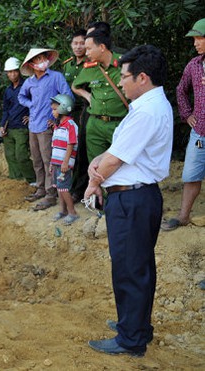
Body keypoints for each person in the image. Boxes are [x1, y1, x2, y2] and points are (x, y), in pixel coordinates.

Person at [84, 44, 172, 357]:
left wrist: (94, 182)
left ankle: (132, 338)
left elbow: (115, 160)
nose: (120, 82)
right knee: (136, 266)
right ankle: (133, 325)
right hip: (135, 197)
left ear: (143, 77)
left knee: (130, 269)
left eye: (124, 77)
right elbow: (115, 150)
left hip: (132, 200)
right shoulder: (147, 106)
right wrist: (98, 160)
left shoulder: (147, 111)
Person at [161, 18, 205, 232]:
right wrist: (187, 114)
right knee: (191, 174)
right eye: (194, 39)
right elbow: (180, 90)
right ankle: (184, 216)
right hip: (200, 135)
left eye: (199, 38)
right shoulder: (194, 65)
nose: (195, 43)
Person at [18, 48, 73, 210]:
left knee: (49, 159)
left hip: (47, 126)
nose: (43, 61)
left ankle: (51, 193)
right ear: (32, 65)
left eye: (43, 57)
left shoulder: (56, 77)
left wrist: (57, 116)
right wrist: (31, 105)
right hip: (33, 125)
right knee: (36, 159)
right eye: (39, 59)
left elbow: (67, 96)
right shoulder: (29, 82)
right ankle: (41, 188)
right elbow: (21, 97)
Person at [72, 30, 127, 162]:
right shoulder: (90, 68)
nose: (86, 53)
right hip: (95, 125)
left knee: (121, 163)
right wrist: (87, 95)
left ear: (102, 47)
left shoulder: (124, 64)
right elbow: (75, 86)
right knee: (96, 165)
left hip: (119, 123)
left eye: (89, 49)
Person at [62, 29, 90, 202]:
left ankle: (79, 190)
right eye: (75, 43)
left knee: (81, 150)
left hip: (84, 111)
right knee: (67, 150)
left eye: (82, 43)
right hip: (68, 113)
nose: (78, 47)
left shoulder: (91, 63)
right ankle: (68, 187)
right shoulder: (67, 64)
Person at [0, 57, 34, 183]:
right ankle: (16, 180)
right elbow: (5, 110)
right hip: (10, 128)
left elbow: (37, 102)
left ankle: (32, 180)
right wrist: (2, 125)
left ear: (19, 71)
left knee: (21, 155)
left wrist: (32, 116)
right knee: (10, 156)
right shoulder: (8, 90)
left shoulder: (27, 85)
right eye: (9, 72)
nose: (12, 74)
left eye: (14, 71)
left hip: (22, 128)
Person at [49, 94, 79, 225]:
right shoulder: (57, 126)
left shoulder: (70, 125)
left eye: (54, 109)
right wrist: (51, 163)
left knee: (64, 188)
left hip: (64, 164)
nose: (52, 112)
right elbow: (54, 146)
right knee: (58, 188)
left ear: (64, 109)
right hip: (56, 163)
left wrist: (66, 162)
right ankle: (63, 210)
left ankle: (72, 212)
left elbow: (71, 143)